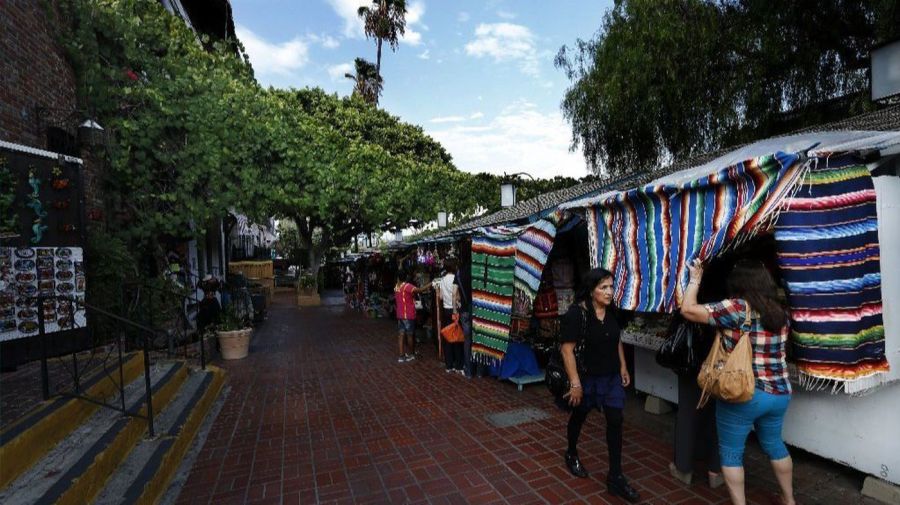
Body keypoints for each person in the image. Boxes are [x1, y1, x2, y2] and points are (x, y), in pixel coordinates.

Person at [681, 258, 794, 505]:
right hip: (779, 393)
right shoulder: (780, 313)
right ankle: (789, 500)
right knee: (775, 445)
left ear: (738, 284)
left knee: (732, 454)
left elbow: (688, 310)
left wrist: (695, 279)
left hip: (745, 393)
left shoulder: (736, 309)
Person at [560, 268, 640, 503]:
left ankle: (615, 475)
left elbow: (615, 340)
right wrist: (575, 383)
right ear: (591, 289)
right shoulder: (578, 314)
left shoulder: (612, 311)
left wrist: (623, 366)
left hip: (611, 378)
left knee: (616, 420)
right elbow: (567, 350)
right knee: (579, 416)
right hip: (586, 379)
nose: (609, 292)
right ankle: (571, 452)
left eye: (611, 287)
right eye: (603, 287)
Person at [394, 270, 430, 363]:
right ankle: (411, 354)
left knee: (401, 335)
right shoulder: (407, 286)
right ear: (405, 277)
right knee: (410, 335)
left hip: (400, 315)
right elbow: (420, 290)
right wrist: (431, 283)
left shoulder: (397, 287)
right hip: (408, 314)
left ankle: (401, 356)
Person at [437, 258, 464, 374]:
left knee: (448, 337)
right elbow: (457, 296)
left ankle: (449, 365)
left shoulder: (442, 280)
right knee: (457, 337)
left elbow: (441, 297)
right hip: (455, 310)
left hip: (445, 310)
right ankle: (458, 365)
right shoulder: (456, 278)